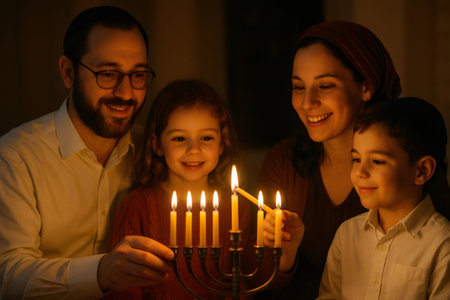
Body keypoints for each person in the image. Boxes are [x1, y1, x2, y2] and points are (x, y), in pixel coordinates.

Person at [0, 6, 174, 299]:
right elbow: (7, 275)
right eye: (108, 74)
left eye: (138, 75)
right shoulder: (16, 157)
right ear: (68, 73)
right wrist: (101, 273)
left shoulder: (155, 150)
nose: (126, 92)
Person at [256, 20, 403, 299]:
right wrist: (284, 258)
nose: (308, 102)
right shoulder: (284, 161)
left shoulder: (404, 167)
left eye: (324, 85)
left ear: (366, 87)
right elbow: (259, 283)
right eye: (298, 87)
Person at [108, 80, 257, 299]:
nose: (194, 149)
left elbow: (248, 281)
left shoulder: (238, 208)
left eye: (206, 138)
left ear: (222, 144)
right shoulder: (137, 206)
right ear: (157, 144)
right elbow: (124, 288)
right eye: (179, 138)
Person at [318, 97, 450, 299]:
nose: (360, 172)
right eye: (356, 159)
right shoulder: (347, 235)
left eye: (377, 161)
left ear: (422, 171)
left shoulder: (442, 244)